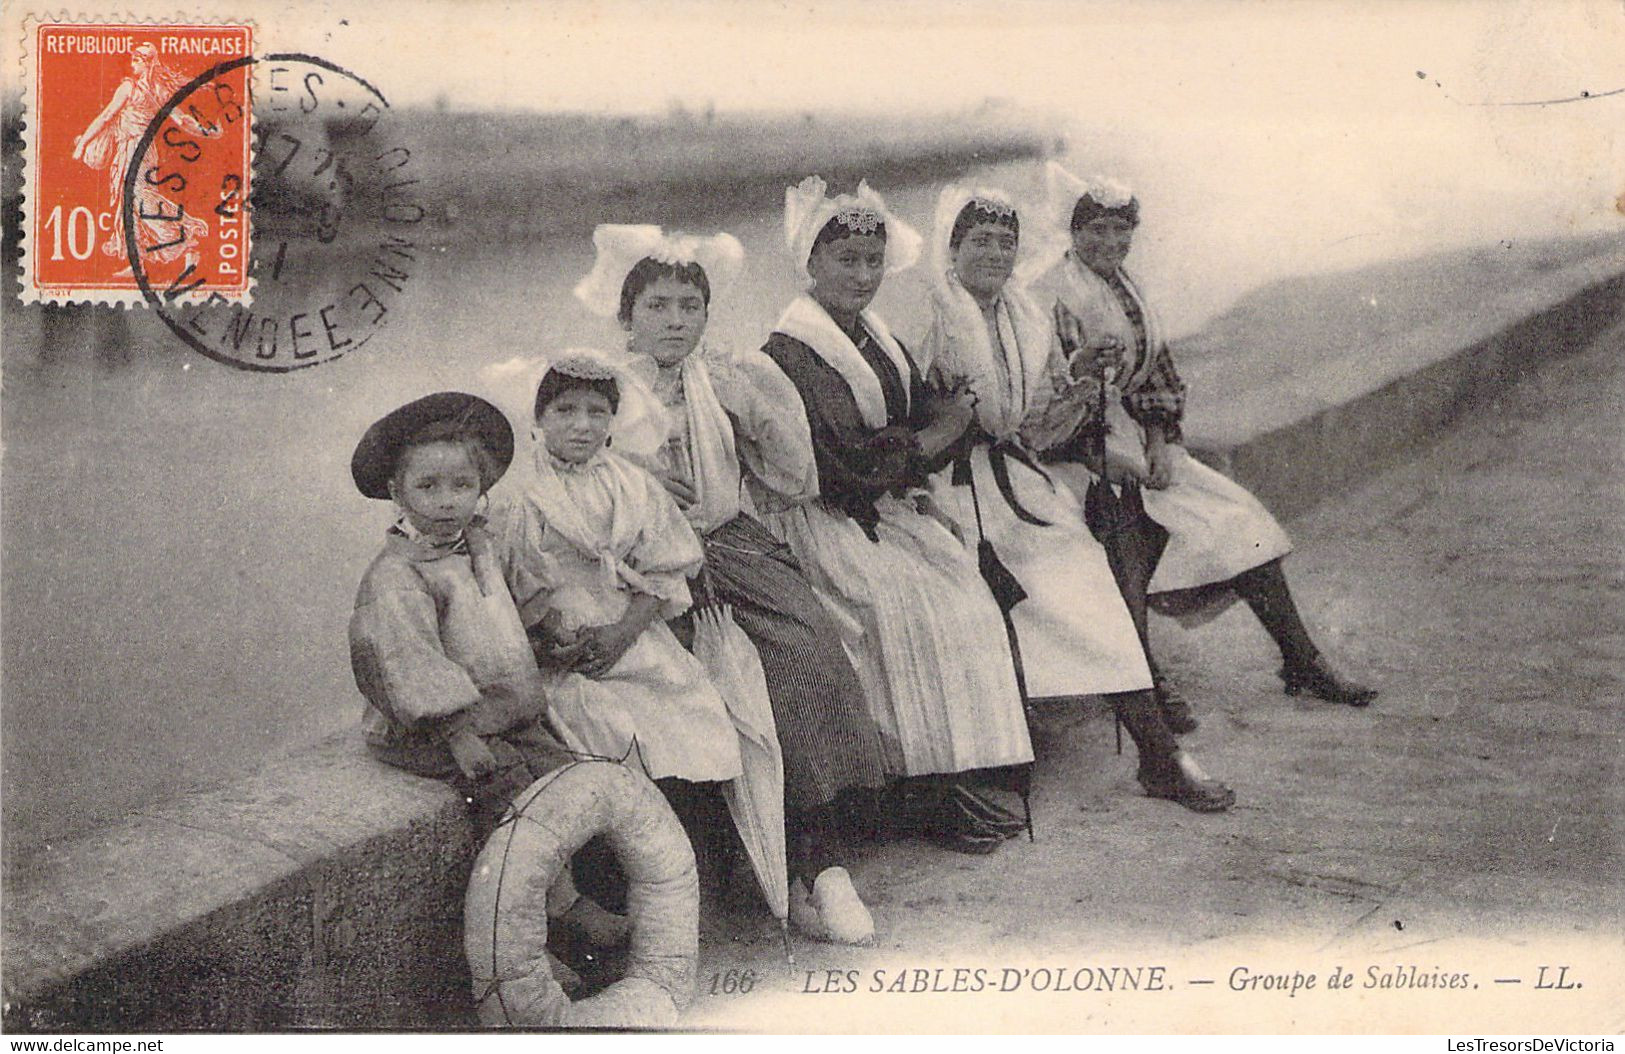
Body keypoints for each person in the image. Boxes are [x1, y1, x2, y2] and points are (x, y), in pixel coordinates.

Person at [571, 225, 889, 943]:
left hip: (728, 545)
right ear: (627, 317)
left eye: (690, 305)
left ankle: (819, 866)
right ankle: (711, 872)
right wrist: (638, 478)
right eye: (657, 305)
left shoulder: (724, 375)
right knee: (686, 690)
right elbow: (563, 485)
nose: (675, 320)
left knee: (805, 656)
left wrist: (754, 410)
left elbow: (790, 478)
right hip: (637, 570)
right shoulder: (598, 391)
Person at [920, 184, 1234, 813]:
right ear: (951, 250)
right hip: (958, 490)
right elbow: (927, 428)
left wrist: (1082, 375)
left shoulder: (1021, 317)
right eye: (979, 241)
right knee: (1070, 583)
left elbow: (1035, 426)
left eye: (1006, 244)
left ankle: (1157, 756)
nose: (995, 255)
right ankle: (1153, 754)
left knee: (1093, 576)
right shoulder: (936, 325)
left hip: (1017, 479)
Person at [1025, 163, 1377, 719]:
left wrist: (1163, 439)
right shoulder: (1056, 294)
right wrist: (1108, 441)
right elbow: (1049, 395)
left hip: (1135, 437)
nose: (1111, 242)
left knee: (1238, 517)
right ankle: (1143, 681)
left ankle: (1301, 659)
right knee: (1129, 532)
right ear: (1071, 232)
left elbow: (1157, 370)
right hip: (1073, 447)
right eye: (1096, 230)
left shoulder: (1124, 286)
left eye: (1122, 230)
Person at [755, 176, 1035, 852]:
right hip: (826, 517)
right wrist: (945, 427)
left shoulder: (874, 335)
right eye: (845, 260)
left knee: (965, 592)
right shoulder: (789, 352)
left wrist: (941, 419)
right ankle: (916, 791)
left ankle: (947, 774)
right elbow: (852, 465)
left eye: (873, 261)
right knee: (905, 606)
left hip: (879, 506)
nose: (862, 275)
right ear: (811, 264)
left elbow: (916, 412)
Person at [346, 391, 628, 961]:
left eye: (461, 486)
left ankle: (581, 898)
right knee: (509, 791)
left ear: (482, 489)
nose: (447, 502)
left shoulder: (481, 546)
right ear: (397, 492)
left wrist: (549, 629)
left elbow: (515, 602)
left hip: (499, 711)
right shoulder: (398, 576)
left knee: (566, 776)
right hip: (428, 728)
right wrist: (457, 733)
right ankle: (542, 922)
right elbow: (405, 661)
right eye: (428, 487)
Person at [486, 357, 744, 788]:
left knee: (693, 712)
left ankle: (694, 837)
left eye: (597, 412)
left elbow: (664, 570)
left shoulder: (630, 483)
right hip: (558, 646)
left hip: (627, 627)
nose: (582, 426)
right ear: (539, 415)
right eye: (565, 411)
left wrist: (625, 631)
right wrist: (547, 636)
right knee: (606, 724)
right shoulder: (519, 495)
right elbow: (505, 586)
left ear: (612, 419)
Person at [71, 41, 209, 269]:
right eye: (133, 59)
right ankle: (138, 263)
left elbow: (106, 116)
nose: (132, 64)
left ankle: (184, 231)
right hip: (135, 150)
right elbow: (182, 119)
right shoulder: (158, 90)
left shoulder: (130, 88)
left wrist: (82, 143)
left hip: (136, 151)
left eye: (137, 60)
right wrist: (205, 131)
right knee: (129, 202)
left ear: (148, 63)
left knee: (139, 198)